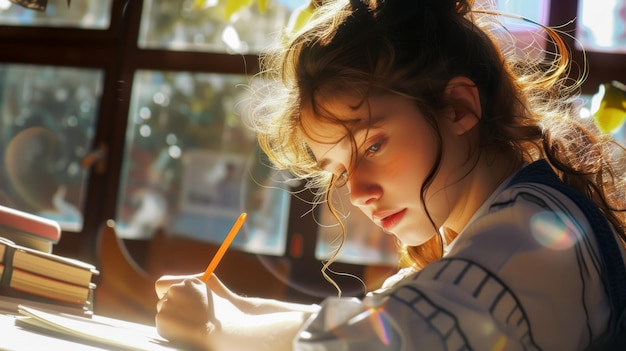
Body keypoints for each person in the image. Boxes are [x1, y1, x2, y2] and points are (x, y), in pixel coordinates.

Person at [153, 0, 626, 350]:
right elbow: (379, 317)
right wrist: (233, 306)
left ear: (458, 108)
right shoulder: (495, 226)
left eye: (373, 145)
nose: (357, 192)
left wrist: (217, 329)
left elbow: (390, 338)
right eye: (339, 170)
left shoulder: (533, 238)